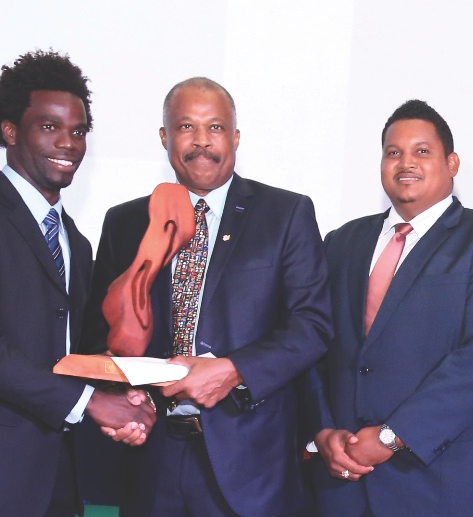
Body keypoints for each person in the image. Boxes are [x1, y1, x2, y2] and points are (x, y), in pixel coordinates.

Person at [0, 49, 156, 517]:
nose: (68, 143)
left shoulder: (76, 244)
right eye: (49, 126)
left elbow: (71, 357)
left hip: (56, 483)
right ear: (9, 130)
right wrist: (90, 403)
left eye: (79, 131)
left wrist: (123, 392)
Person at [82, 77, 332, 517]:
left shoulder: (285, 213)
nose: (202, 142)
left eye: (215, 128)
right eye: (186, 128)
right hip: (150, 455)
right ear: (165, 137)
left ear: (235, 137)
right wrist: (120, 390)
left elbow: (312, 325)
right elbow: (99, 335)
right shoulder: (125, 222)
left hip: (250, 460)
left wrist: (233, 371)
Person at [302, 99, 473, 516]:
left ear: (452, 162)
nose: (405, 162)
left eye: (421, 151)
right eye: (393, 152)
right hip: (343, 483)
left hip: (441, 482)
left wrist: (393, 436)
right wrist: (321, 430)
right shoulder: (342, 243)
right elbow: (312, 342)